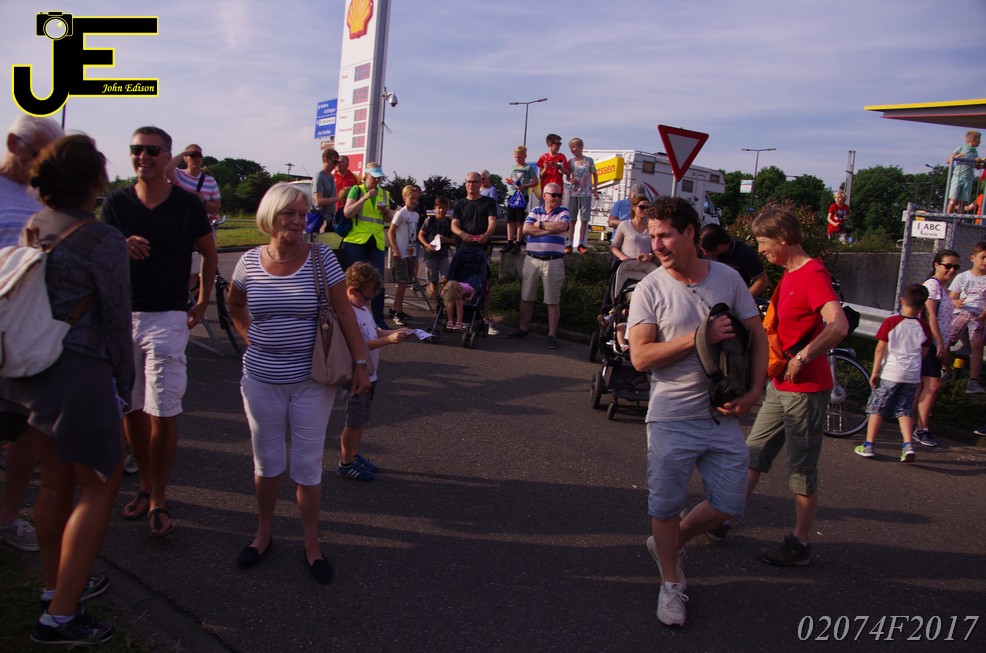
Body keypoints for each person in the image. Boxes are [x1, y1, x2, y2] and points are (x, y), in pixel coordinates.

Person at [0, 134, 132, 645]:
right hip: (79, 370)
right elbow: (117, 320)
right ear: (97, 179)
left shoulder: (34, 225)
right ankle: (61, 616)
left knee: (55, 484)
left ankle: (55, 586)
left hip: (33, 371)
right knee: (99, 485)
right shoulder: (103, 239)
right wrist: (126, 384)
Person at [626, 196, 767, 628]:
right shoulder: (650, 288)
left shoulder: (727, 278)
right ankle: (671, 582)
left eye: (664, 235)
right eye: (652, 236)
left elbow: (757, 335)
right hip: (671, 417)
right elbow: (640, 357)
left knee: (729, 503)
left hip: (723, 414)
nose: (656, 245)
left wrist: (754, 391)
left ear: (689, 232)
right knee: (665, 506)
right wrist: (699, 336)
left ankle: (667, 543)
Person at [226, 183, 371, 583]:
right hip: (260, 380)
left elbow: (345, 313)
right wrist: (249, 335)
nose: (297, 220)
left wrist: (361, 364)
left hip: (312, 381)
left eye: (302, 213)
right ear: (269, 215)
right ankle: (263, 533)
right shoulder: (248, 262)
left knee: (307, 466)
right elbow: (235, 304)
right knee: (267, 462)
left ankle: (311, 543)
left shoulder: (321, 258)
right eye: (288, 212)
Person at [102, 126, 218, 538]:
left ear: (169, 157)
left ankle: (160, 498)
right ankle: (146, 486)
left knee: (163, 411)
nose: (143, 156)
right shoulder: (116, 202)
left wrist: (201, 301)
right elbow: (98, 250)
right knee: (132, 409)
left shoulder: (186, 204)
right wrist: (119, 244)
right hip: (122, 317)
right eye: (136, 149)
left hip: (168, 316)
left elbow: (209, 253)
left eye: (152, 150)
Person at [744, 205, 849, 566]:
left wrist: (803, 357)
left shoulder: (812, 272)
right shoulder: (789, 273)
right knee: (753, 453)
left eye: (763, 242)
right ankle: (721, 515)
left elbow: (838, 325)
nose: (760, 249)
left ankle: (800, 544)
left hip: (805, 389)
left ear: (783, 238)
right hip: (780, 384)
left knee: (801, 470)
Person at [0, 114, 62, 553]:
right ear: (12, 143)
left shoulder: (40, 197)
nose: (41, 163)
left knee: (25, 431)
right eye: (37, 152)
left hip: (24, 335)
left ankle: (6, 518)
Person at [336, 262, 410, 481]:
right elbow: (358, 343)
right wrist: (388, 340)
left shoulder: (360, 307)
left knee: (361, 419)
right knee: (353, 421)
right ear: (352, 291)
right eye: (367, 297)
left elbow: (374, 331)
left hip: (369, 374)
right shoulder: (347, 313)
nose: (369, 301)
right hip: (354, 376)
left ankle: (353, 453)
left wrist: (391, 332)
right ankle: (346, 462)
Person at [854, 284, 930, 462]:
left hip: (891, 372)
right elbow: (924, 352)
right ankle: (907, 445)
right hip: (912, 375)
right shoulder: (923, 326)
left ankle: (869, 444)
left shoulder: (891, 322)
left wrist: (875, 371)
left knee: (877, 408)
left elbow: (880, 348)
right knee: (905, 410)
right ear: (922, 306)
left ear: (902, 301)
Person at [506, 182, 569, 349]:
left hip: (553, 261)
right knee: (526, 296)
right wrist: (550, 229)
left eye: (559, 195)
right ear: (544, 195)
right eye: (553, 195)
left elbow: (563, 226)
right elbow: (526, 229)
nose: (556, 198)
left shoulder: (563, 211)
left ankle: (552, 334)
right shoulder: (535, 211)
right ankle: (523, 328)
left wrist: (539, 225)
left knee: (552, 300)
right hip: (532, 259)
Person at [913, 249, 961, 447]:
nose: (952, 270)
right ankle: (921, 428)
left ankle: (912, 424)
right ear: (936, 265)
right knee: (932, 385)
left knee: (923, 385)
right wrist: (939, 342)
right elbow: (930, 315)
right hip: (929, 343)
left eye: (956, 267)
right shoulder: (932, 285)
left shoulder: (943, 287)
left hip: (935, 343)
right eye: (947, 266)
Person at [343, 162, 392, 329]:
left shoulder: (384, 194)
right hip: (356, 241)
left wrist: (385, 211)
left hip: (376, 241)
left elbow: (390, 219)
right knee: (354, 281)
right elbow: (347, 213)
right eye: (374, 177)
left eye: (379, 178)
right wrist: (365, 198)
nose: (377, 180)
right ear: (366, 175)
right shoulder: (356, 190)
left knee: (378, 281)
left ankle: (378, 320)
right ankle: (349, 317)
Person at [451, 172, 498, 333]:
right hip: (463, 248)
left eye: (475, 182)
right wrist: (462, 234)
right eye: (468, 182)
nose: (471, 185)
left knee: (485, 284)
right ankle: (459, 316)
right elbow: (454, 225)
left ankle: (485, 318)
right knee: (460, 281)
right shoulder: (460, 203)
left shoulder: (488, 202)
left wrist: (486, 235)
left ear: (480, 184)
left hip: (482, 248)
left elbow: (492, 222)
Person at [948, 241, 986, 394]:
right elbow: (952, 297)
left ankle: (973, 381)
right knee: (948, 338)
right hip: (962, 311)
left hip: (980, 315)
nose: (985, 261)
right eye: (983, 257)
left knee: (977, 344)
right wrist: (955, 302)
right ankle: (944, 369)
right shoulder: (962, 277)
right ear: (973, 258)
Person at [699, 223, 769, 297]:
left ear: (720, 245)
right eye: (702, 251)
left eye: (708, 251)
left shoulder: (745, 253)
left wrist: (744, 299)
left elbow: (762, 281)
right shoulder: (703, 251)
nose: (705, 254)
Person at [387, 184, 421, 326]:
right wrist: (396, 250)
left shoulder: (416, 215)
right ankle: (398, 312)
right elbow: (391, 232)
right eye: (411, 198)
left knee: (406, 282)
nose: (414, 201)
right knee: (401, 283)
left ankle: (395, 308)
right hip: (401, 253)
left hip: (410, 252)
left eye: (416, 198)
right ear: (405, 198)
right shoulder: (401, 213)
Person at [167, 143, 221, 221]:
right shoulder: (177, 174)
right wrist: (183, 153)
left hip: (200, 224)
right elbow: (166, 169)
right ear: (185, 159)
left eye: (199, 155)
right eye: (192, 155)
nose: (196, 158)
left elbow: (216, 209)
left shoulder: (210, 181)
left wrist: (203, 201)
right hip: (178, 222)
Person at [502, 146, 538, 254]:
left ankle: (518, 243)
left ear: (525, 156)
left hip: (522, 196)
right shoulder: (513, 168)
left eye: (520, 157)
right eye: (516, 157)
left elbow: (535, 182)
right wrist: (510, 182)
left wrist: (524, 186)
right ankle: (509, 242)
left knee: (520, 221)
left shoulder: (528, 168)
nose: (518, 159)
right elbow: (513, 181)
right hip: (512, 195)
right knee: (510, 220)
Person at [418, 195, 454, 301]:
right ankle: (436, 302)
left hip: (443, 254)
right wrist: (427, 245)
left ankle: (444, 300)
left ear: (447, 208)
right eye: (439, 208)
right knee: (433, 281)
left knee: (446, 278)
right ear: (435, 208)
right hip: (430, 254)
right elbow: (420, 235)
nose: (441, 210)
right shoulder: (430, 221)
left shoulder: (449, 222)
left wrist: (446, 240)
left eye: (444, 208)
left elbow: (454, 239)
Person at [566, 137, 598, 254]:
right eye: (570, 148)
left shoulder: (589, 160)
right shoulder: (571, 161)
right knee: (572, 219)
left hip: (586, 193)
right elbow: (567, 176)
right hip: (574, 193)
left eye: (574, 147)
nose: (572, 149)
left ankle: (581, 243)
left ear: (580, 147)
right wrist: (571, 180)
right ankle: (570, 243)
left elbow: (595, 175)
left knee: (584, 219)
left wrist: (595, 190)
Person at [537, 134, 570, 244]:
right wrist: (545, 168)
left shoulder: (562, 157)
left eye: (560, 144)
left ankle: (554, 236)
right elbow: (540, 176)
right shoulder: (543, 157)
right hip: (546, 191)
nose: (559, 146)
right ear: (549, 144)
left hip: (557, 191)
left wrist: (559, 166)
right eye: (557, 143)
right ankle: (542, 237)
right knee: (543, 213)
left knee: (556, 213)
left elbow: (568, 172)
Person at [307, 148, 339, 241]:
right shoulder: (319, 177)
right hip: (320, 219)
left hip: (329, 219)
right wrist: (338, 198)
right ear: (326, 160)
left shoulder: (331, 176)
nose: (335, 165)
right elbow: (318, 201)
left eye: (337, 163)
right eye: (334, 162)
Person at [946, 130, 981, 214]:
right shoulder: (960, 148)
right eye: (979, 140)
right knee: (953, 199)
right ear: (974, 140)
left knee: (963, 201)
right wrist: (958, 156)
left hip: (968, 178)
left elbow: (977, 167)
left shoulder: (975, 152)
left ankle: (960, 219)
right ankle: (947, 216)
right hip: (958, 176)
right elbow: (948, 161)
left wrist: (977, 162)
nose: (980, 142)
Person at [333, 154, 360, 228]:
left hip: (349, 211)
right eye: (337, 162)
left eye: (341, 162)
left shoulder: (355, 178)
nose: (338, 164)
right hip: (334, 212)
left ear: (347, 164)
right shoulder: (331, 177)